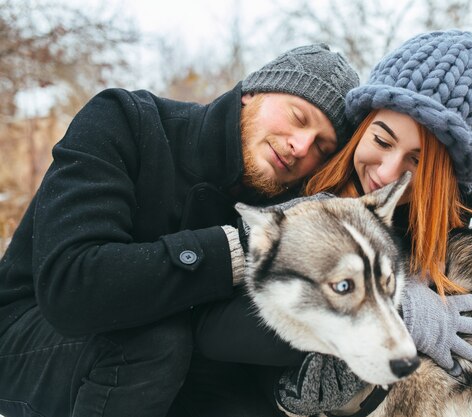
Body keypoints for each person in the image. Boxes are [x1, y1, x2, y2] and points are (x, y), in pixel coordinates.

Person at [192, 30, 472, 416]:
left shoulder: (454, 189)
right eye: (381, 140)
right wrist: (394, 307)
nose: (387, 171)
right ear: (361, 126)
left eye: (418, 161)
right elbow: (218, 328)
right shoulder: (305, 187)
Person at [0, 43, 362, 417]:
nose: (301, 146)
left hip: (164, 371)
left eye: (322, 146)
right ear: (252, 92)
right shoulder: (125, 119)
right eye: (298, 117)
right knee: (153, 341)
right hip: (27, 339)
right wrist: (240, 246)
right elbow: (70, 286)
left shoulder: (283, 207)